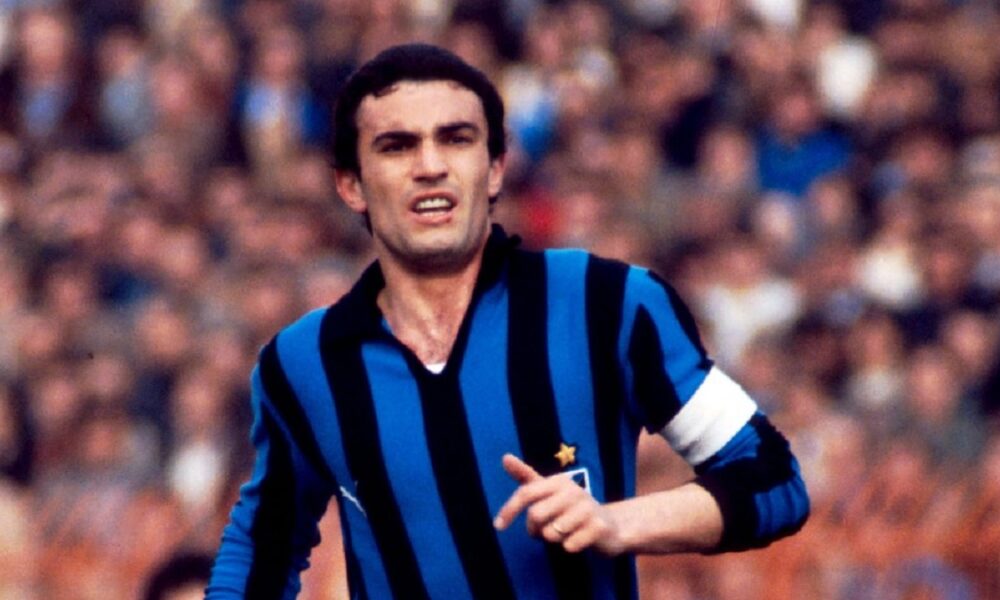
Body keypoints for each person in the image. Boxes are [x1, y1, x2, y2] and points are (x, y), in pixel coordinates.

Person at [207, 43, 809, 599]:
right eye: (397, 146)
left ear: (495, 167)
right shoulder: (304, 363)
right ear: (350, 184)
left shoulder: (608, 302)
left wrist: (619, 522)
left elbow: (774, 477)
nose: (430, 165)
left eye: (456, 139)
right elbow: (259, 555)